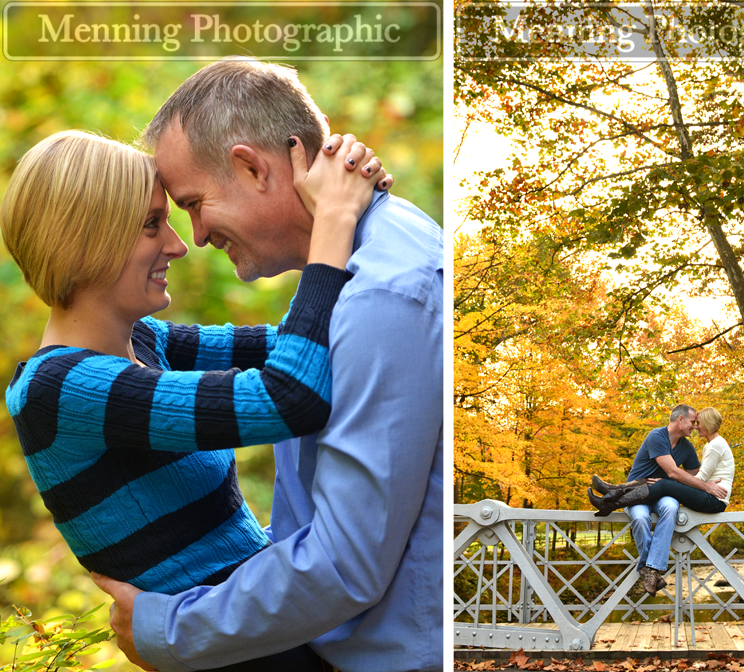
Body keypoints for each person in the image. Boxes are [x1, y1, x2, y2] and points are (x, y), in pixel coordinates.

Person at [91, 58, 443, 672]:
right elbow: (264, 351)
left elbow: (346, 562)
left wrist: (166, 629)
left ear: (253, 166)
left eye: (195, 204)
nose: (194, 236)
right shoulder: (354, 271)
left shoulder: (383, 296)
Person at [1, 129, 388, 670]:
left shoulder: (146, 342)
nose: (178, 245)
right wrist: (332, 225)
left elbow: (307, 341)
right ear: (86, 239)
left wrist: (327, 196)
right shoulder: (59, 390)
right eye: (150, 225)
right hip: (232, 653)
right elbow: (288, 396)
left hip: (254, 628)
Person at [588, 404, 729, 596]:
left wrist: (708, 483)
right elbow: (673, 471)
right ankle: (652, 570)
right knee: (640, 518)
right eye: (692, 422)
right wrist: (705, 486)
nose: (694, 426)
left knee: (671, 509)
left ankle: (649, 569)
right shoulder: (657, 436)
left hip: (662, 496)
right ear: (680, 419)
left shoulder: (687, 448)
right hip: (636, 496)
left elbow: (694, 477)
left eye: (697, 423)